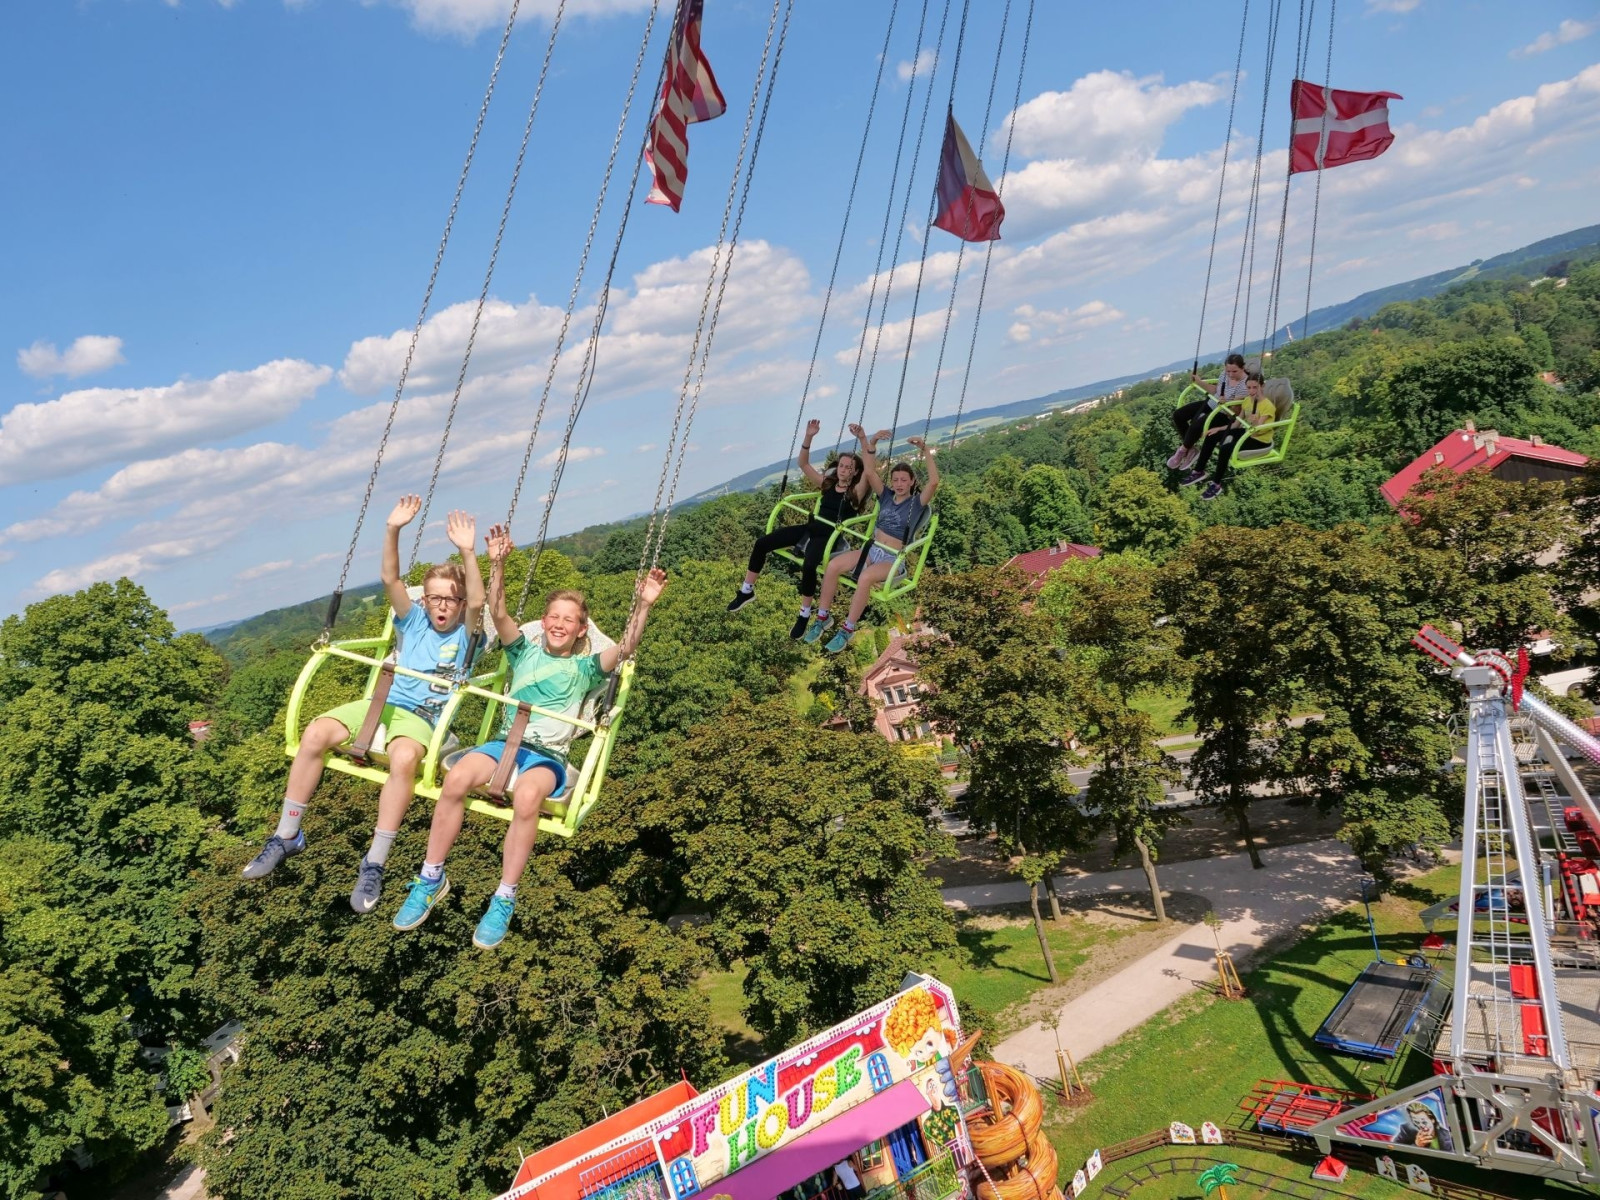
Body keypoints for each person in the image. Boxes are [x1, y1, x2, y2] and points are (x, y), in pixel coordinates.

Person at [392, 523, 668, 949]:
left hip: (546, 756)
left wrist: (644, 605)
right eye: (553, 616)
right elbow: (498, 611)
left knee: (526, 797)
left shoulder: (585, 668)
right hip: (504, 744)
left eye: (569, 620)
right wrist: (498, 565)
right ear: (544, 622)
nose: (559, 624)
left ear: (581, 630)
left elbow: (626, 649)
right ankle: (431, 877)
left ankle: (504, 897)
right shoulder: (523, 650)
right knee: (457, 778)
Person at [242, 496, 484, 913]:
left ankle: (374, 862)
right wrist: (392, 529)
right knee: (315, 732)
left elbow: (479, 602)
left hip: (423, 718)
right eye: (433, 598)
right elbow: (390, 578)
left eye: (450, 599)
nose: (441, 606)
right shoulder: (414, 620)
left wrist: (468, 552)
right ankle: (287, 835)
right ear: (424, 600)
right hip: (383, 704)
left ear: (460, 604)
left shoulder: (467, 634)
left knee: (403, 758)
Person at [729, 418, 870, 638]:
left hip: (830, 536)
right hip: (811, 528)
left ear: (855, 472)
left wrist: (862, 439)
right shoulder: (828, 484)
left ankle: (804, 614)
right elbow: (803, 464)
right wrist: (809, 436)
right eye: (841, 466)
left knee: (809, 564)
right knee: (762, 543)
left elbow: (870, 471)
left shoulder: (855, 493)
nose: (843, 470)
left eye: (849, 468)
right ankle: (746, 590)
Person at [805, 424, 940, 653]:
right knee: (833, 565)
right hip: (872, 551)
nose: (899, 484)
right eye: (895, 480)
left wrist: (925, 450)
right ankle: (822, 618)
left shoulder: (916, 504)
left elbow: (934, 482)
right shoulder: (885, 496)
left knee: (865, 577)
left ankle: (847, 630)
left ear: (911, 482)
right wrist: (870, 442)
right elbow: (868, 472)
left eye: (903, 480)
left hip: (892, 559)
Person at [1178, 371, 1277, 499]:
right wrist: (1219, 429)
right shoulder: (1247, 401)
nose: (1252, 391)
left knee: (1226, 448)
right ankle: (1198, 471)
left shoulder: (1268, 406)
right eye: (1249, 388)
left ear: (1262, 386)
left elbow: (1257, 429)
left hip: (1259, 440)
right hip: (1247, 432)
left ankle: (1216, 484)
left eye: (1255, 387)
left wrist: (1255, 421)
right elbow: (1237, 424)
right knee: (1211, 436)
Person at [1168, 353, 1250, 471]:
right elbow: (1215, 390)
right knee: (1178, 415)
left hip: (1225, 414)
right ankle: (1191, 449)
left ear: (1242, 368)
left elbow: (1236, 412)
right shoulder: (1224, 375)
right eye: (1228, 371)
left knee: (1198, 424)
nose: (1231, 375)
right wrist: (1199, 382)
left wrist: (1226, 403)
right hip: (1212, 403)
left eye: (1234, 371)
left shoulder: (1245, 385)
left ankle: (1183, 450)